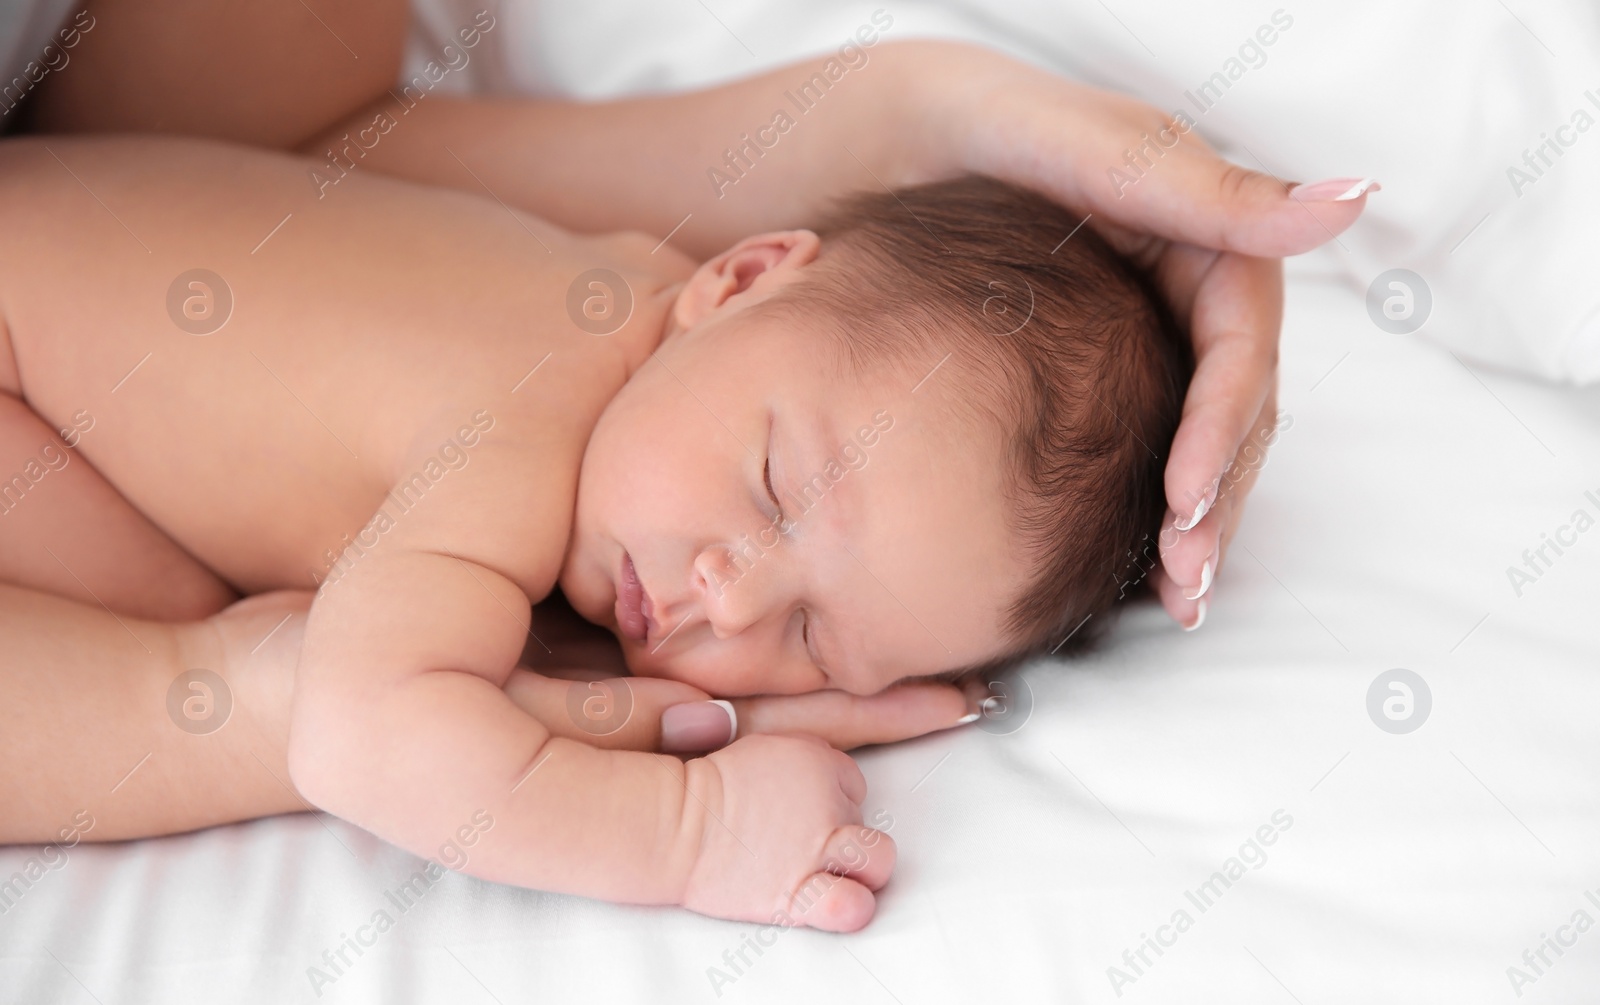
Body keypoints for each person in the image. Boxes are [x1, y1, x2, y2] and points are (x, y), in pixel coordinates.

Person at [0, 132, 1181, 927]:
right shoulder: (520, 415)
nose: (729, 599)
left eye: (815, 641)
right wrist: (689, 833)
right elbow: (356, 737)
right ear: (740, 277)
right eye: (772, 489)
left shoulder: (630, 313)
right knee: (211, 628)